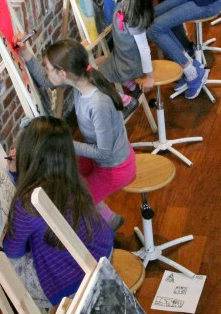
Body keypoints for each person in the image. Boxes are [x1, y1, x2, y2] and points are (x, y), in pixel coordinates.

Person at [17, 37, 136, 231]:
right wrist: (26, 54)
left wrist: (61, 141)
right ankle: (110, 218)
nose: (46, 71)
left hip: (114, 167)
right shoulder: (81, 81)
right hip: (103, 160)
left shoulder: (98, 104)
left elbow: (103, 152)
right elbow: (46, 81)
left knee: (72, 209)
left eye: (48, 68)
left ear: (62, 73)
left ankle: (104, 240)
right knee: (62, 172)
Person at [2, 116, 113, 307]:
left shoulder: (26, 203)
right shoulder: (71, 178)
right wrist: (16, 174)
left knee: (2, 264)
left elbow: (14, 250)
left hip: (74, 285)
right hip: (103, 255)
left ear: (27, 154)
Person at [97, 0, 155, 97]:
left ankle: (124, 99)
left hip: (129, 64)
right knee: (96, 65)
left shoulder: (133, 16)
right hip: (121, 56)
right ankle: (132, 86)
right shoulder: (126, 2)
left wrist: (149, 76)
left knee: (97, 78)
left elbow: (144, 48)